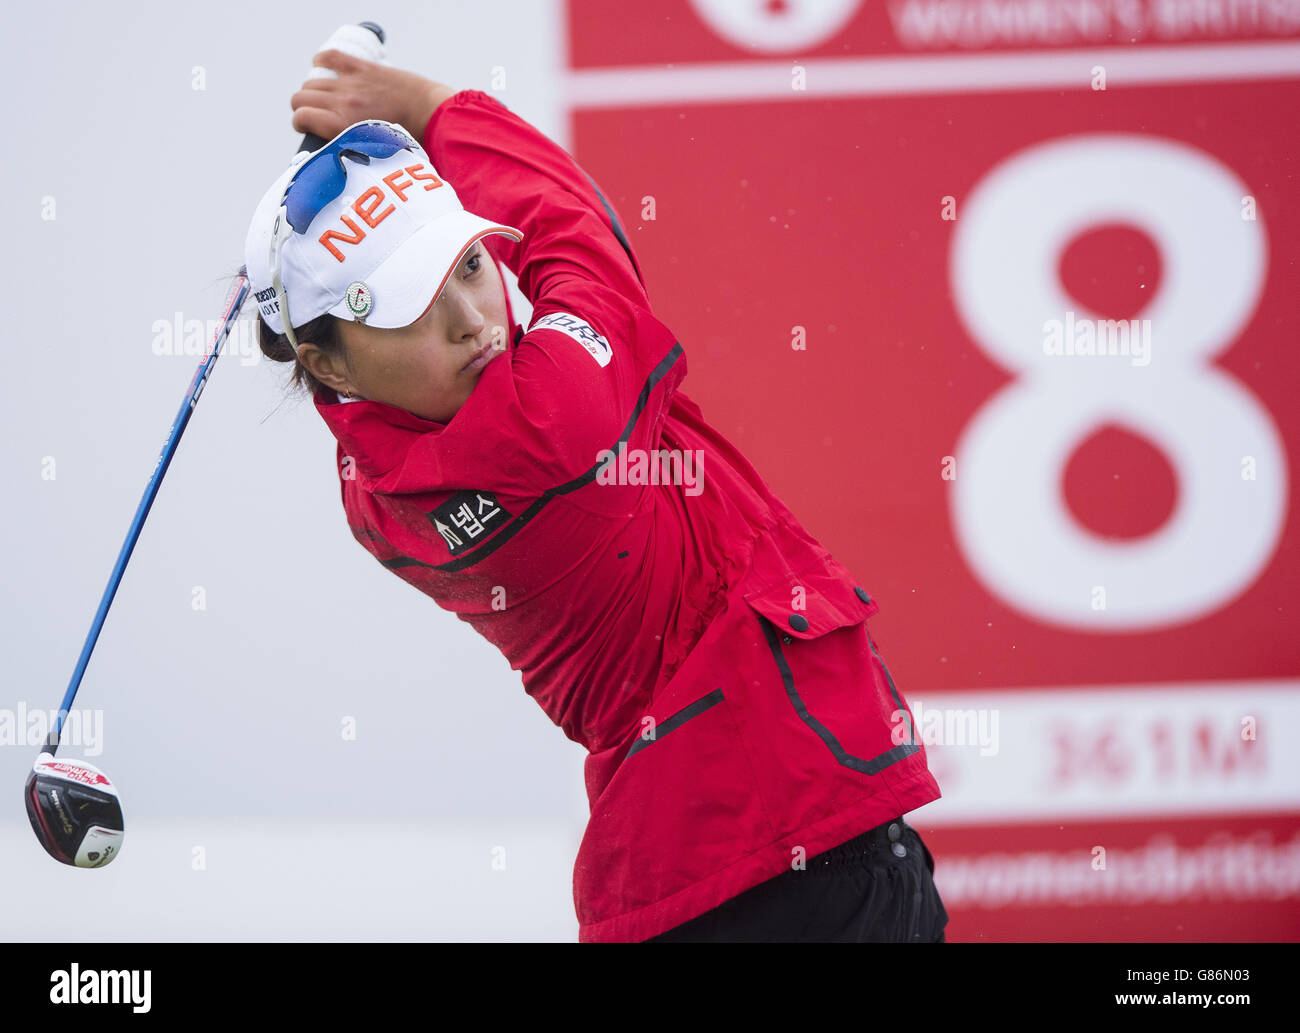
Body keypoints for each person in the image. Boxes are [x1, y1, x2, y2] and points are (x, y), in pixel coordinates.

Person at [243, 47, 949, 943]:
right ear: (327, 361)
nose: (473, 316)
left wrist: (302, 271)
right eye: (411, 305)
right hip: (785, 863)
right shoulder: (553, 419)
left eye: (465, 265)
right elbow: (575, 229)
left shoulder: (373, 498)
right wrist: (437, 107)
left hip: (708, 876)